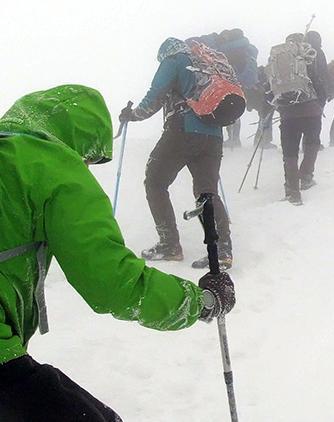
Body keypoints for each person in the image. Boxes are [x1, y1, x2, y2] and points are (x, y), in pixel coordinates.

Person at [0, 84, 236, 422]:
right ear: (80, 138)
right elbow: (113, 283)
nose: (84, 166)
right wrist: (203, 302)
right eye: (89, 158)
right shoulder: (51, 166)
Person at [119, 37, 233, 270]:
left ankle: (169, 244)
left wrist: (133, 115)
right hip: (213, 135)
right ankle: (221, 250)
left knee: (155, 182)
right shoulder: (209, 65)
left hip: (183, 130)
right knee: (207, 191)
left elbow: (155, 95)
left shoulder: (174, 59)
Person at [274, 33, 328, 205]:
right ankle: (306, 176)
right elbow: (319, 82)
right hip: (311, 110)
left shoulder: (277, 61)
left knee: (290, 151)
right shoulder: (307, 57)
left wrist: (278, 107)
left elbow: (270, 87)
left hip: (288, 113)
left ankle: (292, 191)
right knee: (312, 143)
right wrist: (319, 103)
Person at [190, 29, 259, 148]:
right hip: (242, 85)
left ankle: (229, 138)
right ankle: (234, 139)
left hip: (227, 83)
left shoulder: (228, 50)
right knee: (233, 108)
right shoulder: (247, 50)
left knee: (222, 107)